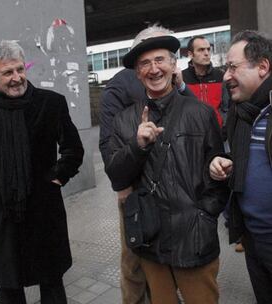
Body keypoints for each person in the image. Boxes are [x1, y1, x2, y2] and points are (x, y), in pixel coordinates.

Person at [0, 40, 84, 304]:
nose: (17, 78)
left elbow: (73, 149)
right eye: (7, 73)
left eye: (20, 69)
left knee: (52, 283)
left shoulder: (51, 103)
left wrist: (57, 178)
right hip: (5, 213)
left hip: (45, 210)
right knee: (10, 285)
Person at [106, 31, 228, 304]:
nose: (154, 69)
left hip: (195, 239)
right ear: (137, 74)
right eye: (145, 64)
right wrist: (138, 146)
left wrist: (205, 215)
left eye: (159, 60)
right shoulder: (125, 120)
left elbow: (217, 168)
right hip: (151, 240)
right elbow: (116, 176)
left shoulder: (201, 113)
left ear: (174, 65)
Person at [99, 24, 195, 304]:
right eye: (148, 57)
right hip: (137, 189)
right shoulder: (119, 86)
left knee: (169, 260)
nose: (155, 66)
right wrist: (123, 188)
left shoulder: (175, 82)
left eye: (161, 56)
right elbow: (108, 143)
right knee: (134, 263)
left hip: (175, 187)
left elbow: (196, 120)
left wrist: (182, 86)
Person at [209, 30, 272, 304]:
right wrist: (224, 165)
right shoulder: (240, 112)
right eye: (226, 68)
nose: (225, 76)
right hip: (251, 237)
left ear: (263, 67)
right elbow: (243, 158)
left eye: (233, 67)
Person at [182, 36, 229, 128]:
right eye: (201, 50)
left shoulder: (220, 76)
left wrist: (224, 127)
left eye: (208, 49)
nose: (206, 53)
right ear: (191, 54)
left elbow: (226, 107)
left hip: (218, 132)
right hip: (192, 134)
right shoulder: (181, 78)